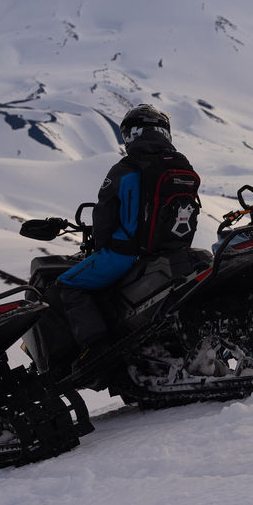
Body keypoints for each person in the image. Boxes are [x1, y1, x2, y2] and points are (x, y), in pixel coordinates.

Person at [52, 104, 200, 352]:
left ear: (134, 134)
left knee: (68, 284)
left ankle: (95, 349)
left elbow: (104, 216)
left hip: (126, 254)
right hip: (173, 253)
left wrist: (101, 246)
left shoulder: (126, 169)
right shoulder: (183, 165)